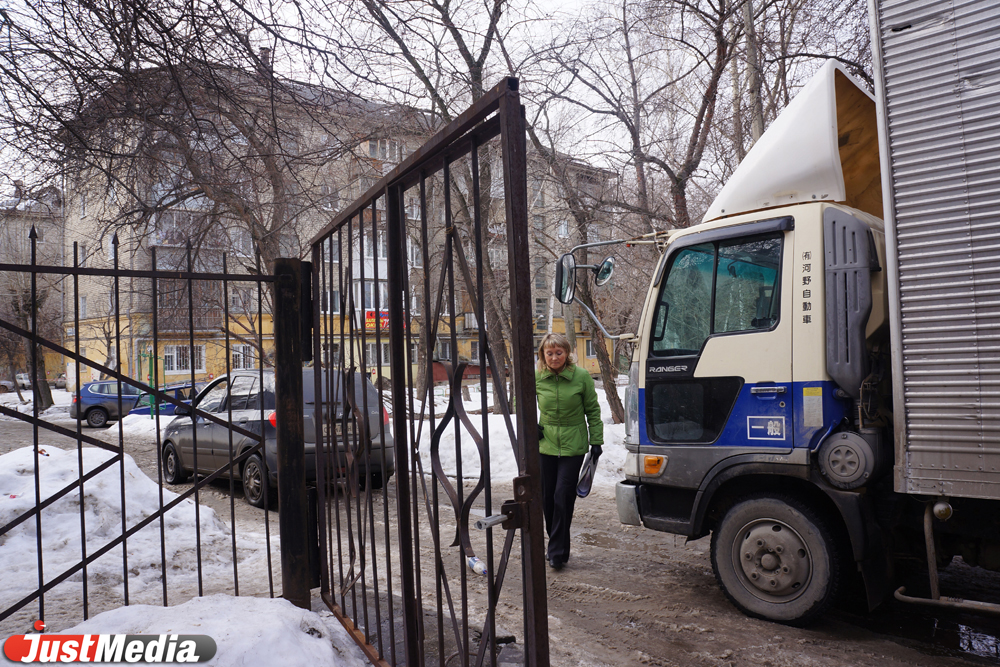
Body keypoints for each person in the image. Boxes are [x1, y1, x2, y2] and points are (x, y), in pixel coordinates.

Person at [535, 332, 603, 571]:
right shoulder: (537, 376)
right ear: (543, 355)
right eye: (549, 353)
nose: (554, 357)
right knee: (547, 499)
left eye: (559, 352)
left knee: (562, 496)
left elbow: (593, 411)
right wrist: (531, 427)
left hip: (573, 445)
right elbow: (518, 403)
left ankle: (556, 552)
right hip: (546, 445)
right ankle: (557, 544)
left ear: (567, 353)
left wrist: (597, 442)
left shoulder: (581, 377)